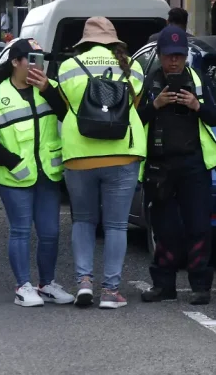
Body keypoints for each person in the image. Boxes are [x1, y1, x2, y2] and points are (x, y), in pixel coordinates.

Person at [56, 17, 146, 309]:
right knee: (117, 225)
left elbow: (68, 105)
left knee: (83, 220)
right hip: (123, 152)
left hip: (79, 154)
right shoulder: (133, 66)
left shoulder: (68, 68)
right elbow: (134, 104)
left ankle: (84, 282)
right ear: (114, 41)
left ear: (85, 41)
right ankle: (110, 291)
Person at [0, 38, 74, 307]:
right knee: (20, 230)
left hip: (48, 173)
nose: (37, 66)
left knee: (51, 232)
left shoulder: (50, 88)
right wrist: (14, 163)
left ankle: (46, 284)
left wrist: (47, 89)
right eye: (31, 60)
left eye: (41, 60)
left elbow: (68, 115)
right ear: (15, 63)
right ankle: (23, 286)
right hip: (13, 176)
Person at [136, 25, 216, 305]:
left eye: (179, 55)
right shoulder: (147, 83)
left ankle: (200, 286)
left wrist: (197, 106)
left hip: (193, 165)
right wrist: (155, 104)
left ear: (186, 56)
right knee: (165, 229)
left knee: (199, 226)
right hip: (159, 166)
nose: (174, 60)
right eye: (169, 55)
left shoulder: (198, 81)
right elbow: (133, 121)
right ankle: (163, 285)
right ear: (160, 54)